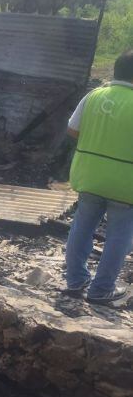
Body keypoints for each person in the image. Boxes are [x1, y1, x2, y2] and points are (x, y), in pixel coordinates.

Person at [64, 50, 133, 305]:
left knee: (81, 227)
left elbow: (72, 129)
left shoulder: (94, 96)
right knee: (120, 235)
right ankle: (101, 289)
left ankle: (75, 281)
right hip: (126, 183)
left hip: (89, 175)